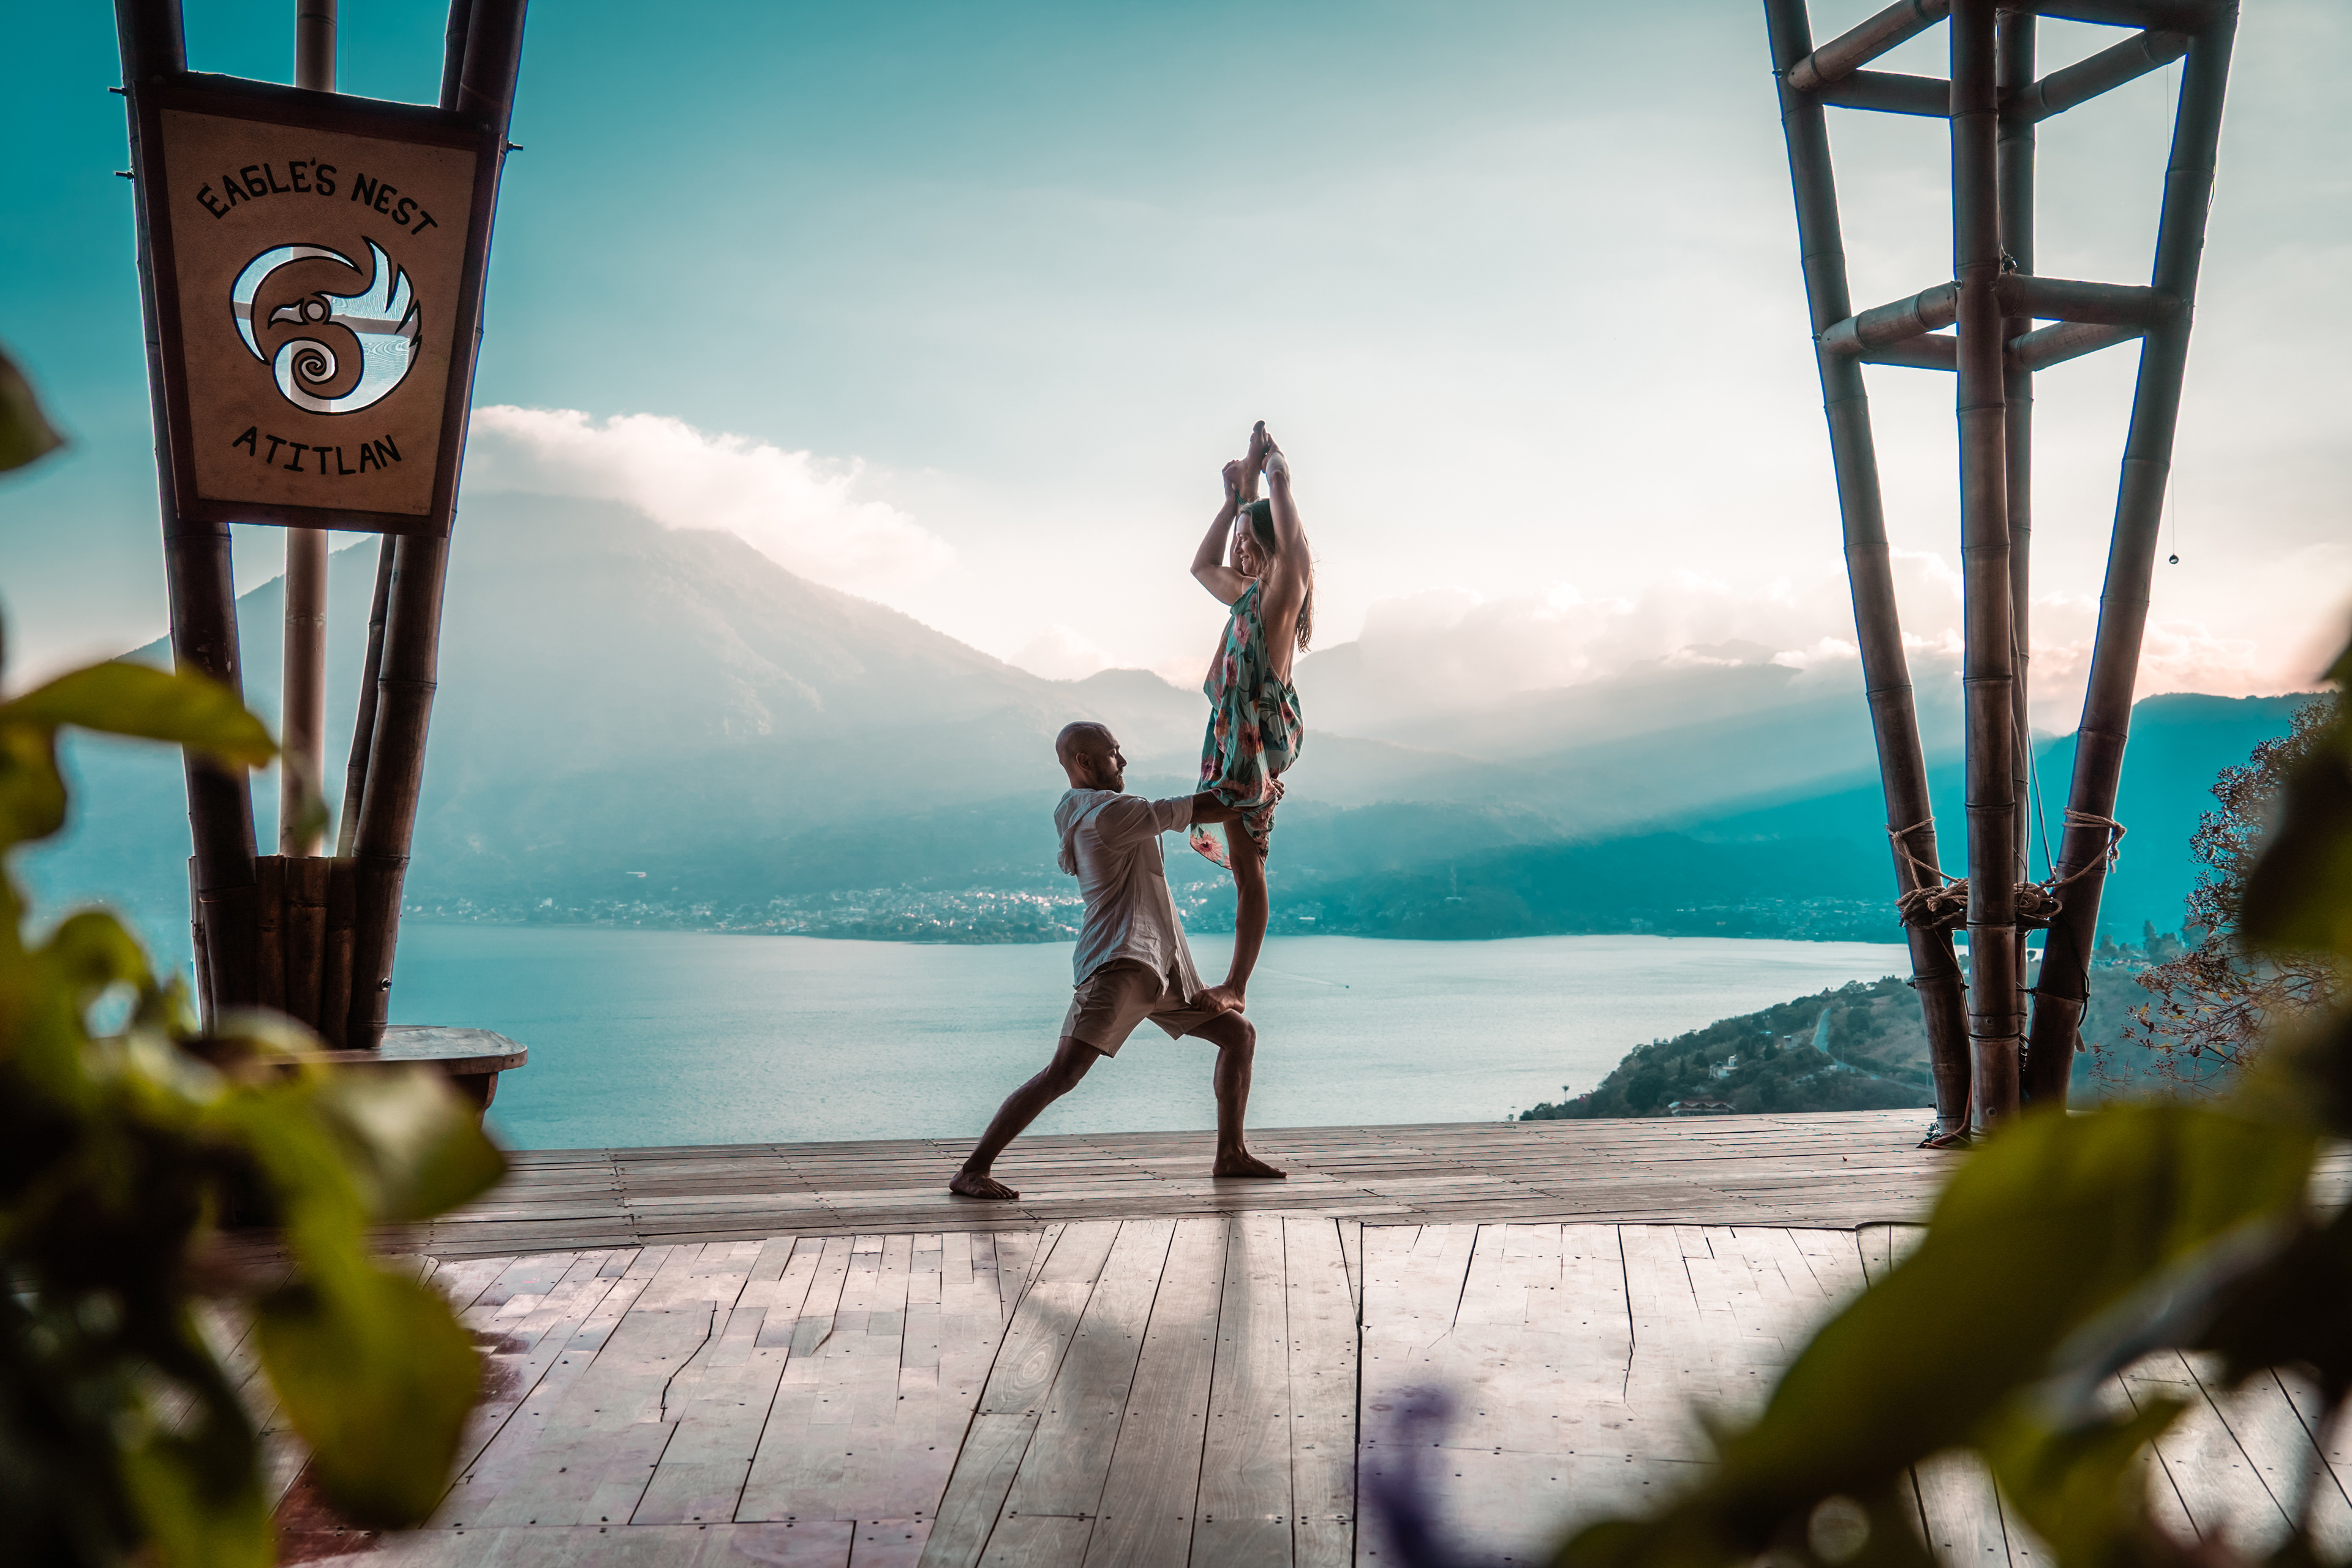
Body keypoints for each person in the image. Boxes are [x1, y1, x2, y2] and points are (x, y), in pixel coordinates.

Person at [948, 722, 1287, 1199]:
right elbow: (1209, 808)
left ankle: (1230, 1154)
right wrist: (1258, 779)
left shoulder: (1082, 810)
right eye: (1113, 753)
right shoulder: (1109, 815)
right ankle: (972, 1169)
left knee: (1237, 1034)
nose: (1122, 762)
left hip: (1157, 964)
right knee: (1063, 1073)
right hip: (1121, 963)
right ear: (1085, 763)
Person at [1185, 421, 1311, 1015]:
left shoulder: (1284, 590)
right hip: (1230, 737)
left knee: (1250, 867)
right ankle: (1234, 983)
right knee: (1243, 866)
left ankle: (1236, 985)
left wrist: (1269, 470)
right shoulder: (1244, 594)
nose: (1237, 546)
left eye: (1246, 537)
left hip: (1256, 740)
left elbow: (1290, 535)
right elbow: (1200, 564)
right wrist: (1234, 500)